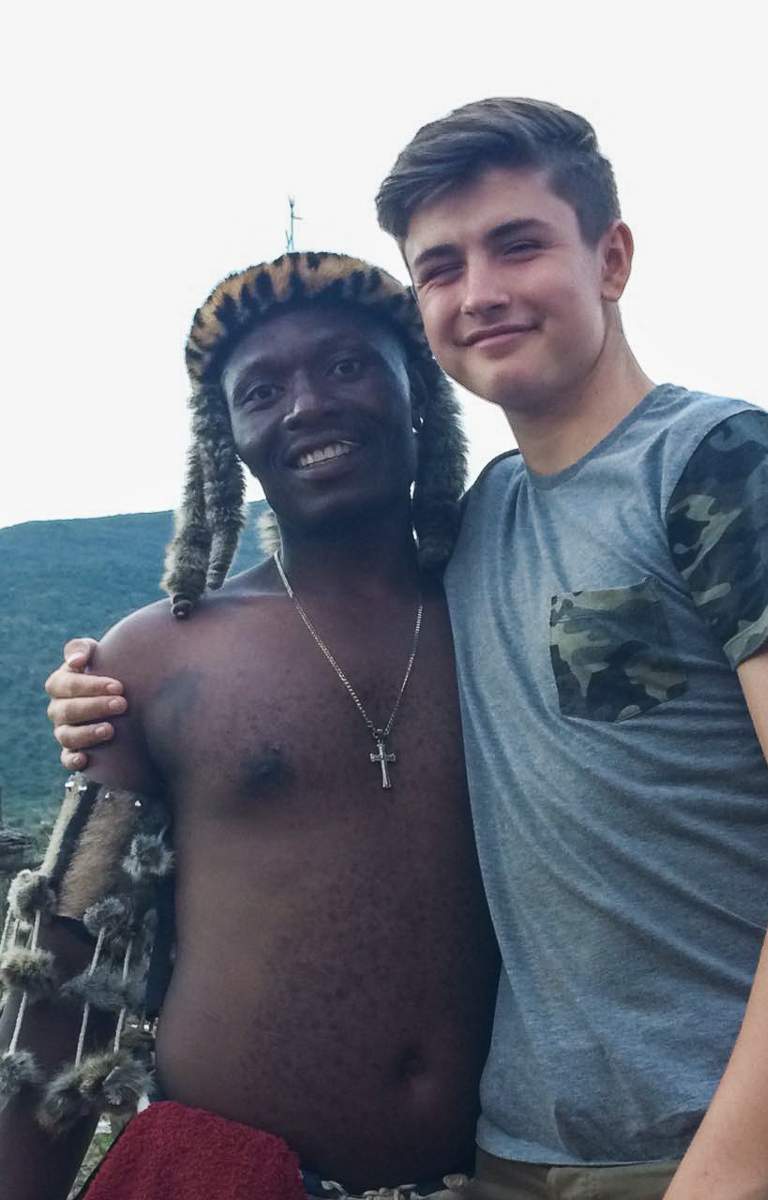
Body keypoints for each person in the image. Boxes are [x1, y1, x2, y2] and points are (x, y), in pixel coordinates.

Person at [48, 98, 768, 1200]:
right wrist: (96, 692)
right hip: (523, 1153)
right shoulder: (480, 531)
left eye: (518, 244)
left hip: (766, 1151)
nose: (481, 291)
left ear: (612, 258)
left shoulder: (717, 461)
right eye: (441, 267)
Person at [2, 250, 499, 1200]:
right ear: (226, 438)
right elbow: (66, 963)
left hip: (510, 1172)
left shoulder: (507, 614)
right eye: (262, 391)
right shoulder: (157, 658)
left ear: (417, 393)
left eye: (347, 366)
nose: (308, 406)